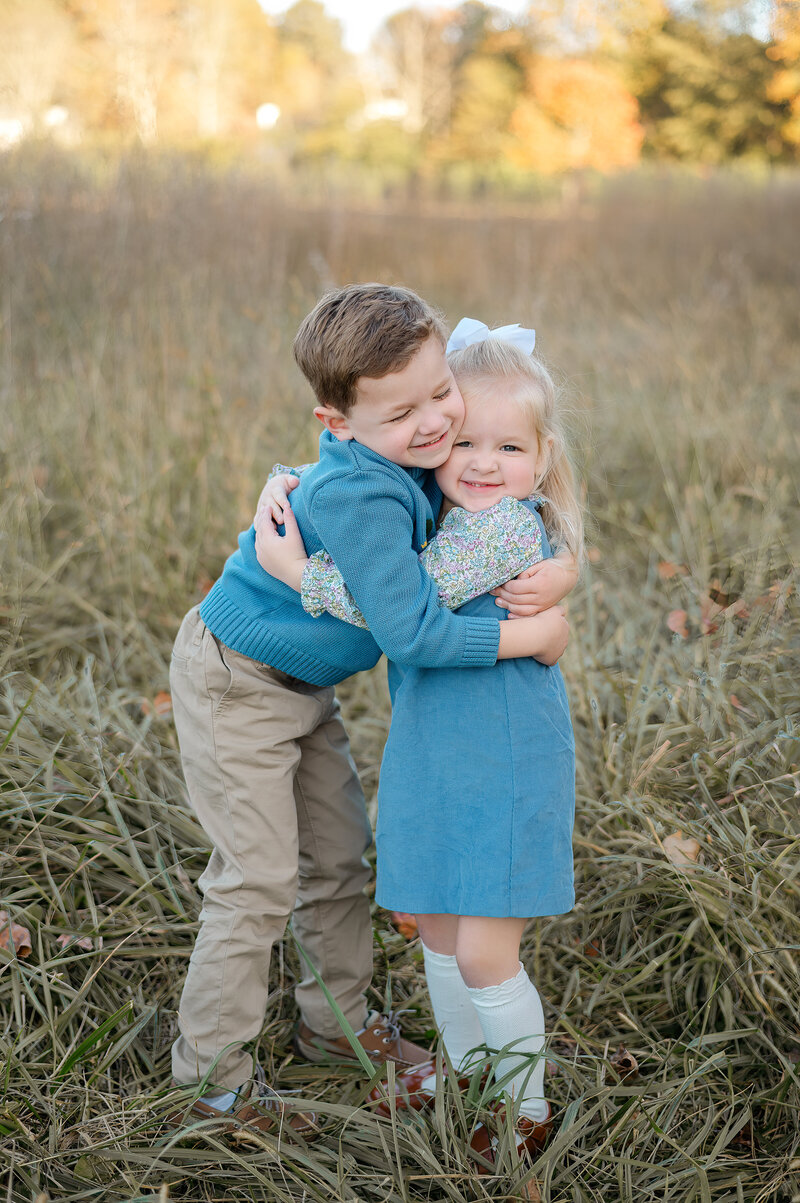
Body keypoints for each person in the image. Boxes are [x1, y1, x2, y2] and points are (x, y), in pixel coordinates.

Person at [168, 286, 572, 1137]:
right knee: (259, 877)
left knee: (339, 858)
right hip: (235, 678)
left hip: (303, 686)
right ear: (340, 420)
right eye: (405, 414)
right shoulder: (365, 491)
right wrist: (535, 632)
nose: (433, 425)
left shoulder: (422, 454)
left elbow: (516, 497)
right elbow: (417, 626)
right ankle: (213, 1082)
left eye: (440, 395)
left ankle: (338, 1026)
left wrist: (560, 577)